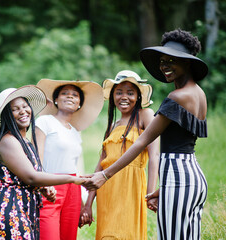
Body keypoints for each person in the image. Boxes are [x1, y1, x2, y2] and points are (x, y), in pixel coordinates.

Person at [82, 29, 208, 240]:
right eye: (162, 60)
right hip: (188, 177)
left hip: (179, 178)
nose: (164, 65)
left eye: (171, 60)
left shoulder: (177, 96)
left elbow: (142, 141)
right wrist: (165, 185)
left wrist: (104, 175)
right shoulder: (198, 93)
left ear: (187, 62)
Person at [0, 85, 85, 240]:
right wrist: (73, 179)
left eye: (25, 106)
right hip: (9, 209)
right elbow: (31, 176)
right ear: (6, 115)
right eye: (15, 109)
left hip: (24, 208)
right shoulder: (8, 141)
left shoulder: (24, 142)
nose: (23, 111)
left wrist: (42, 188)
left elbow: (25, 177)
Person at [79, 70, 159, 239]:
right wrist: (88, 204)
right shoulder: (113, 126)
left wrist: (150, 193)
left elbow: (155, 156)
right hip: (108, 190)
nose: (124, 97)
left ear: (138, 96)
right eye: (119, 92)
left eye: (130, 93)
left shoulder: (145, 115)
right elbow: (101, 164)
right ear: (113, 95)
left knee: (125, 233)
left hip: (131, 187)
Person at [34, 79, 104, 240]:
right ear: (56, 100)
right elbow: (36, 158)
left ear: (79, 103)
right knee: (48, 234)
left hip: (73, 189)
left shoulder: (75, 131)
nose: (70, 97)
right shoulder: (44, 122)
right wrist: (44, 184)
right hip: (49, 185)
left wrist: (80, 202)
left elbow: (76, 166)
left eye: (75, 95)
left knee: (68, 236)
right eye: (64, 93)